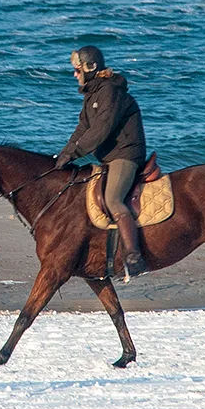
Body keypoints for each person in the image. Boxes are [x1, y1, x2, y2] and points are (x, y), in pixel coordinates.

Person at [54, 45, 149, 278]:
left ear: (90, 67)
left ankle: (134, 257)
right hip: (108, 157)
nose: (74, 75)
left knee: (113, 198)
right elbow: (82, 130)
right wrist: (62, 155)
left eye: (77, 70)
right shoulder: (91, 95)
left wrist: (74, 154)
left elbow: (100, 130)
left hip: (125, 154)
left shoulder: (110, 92)